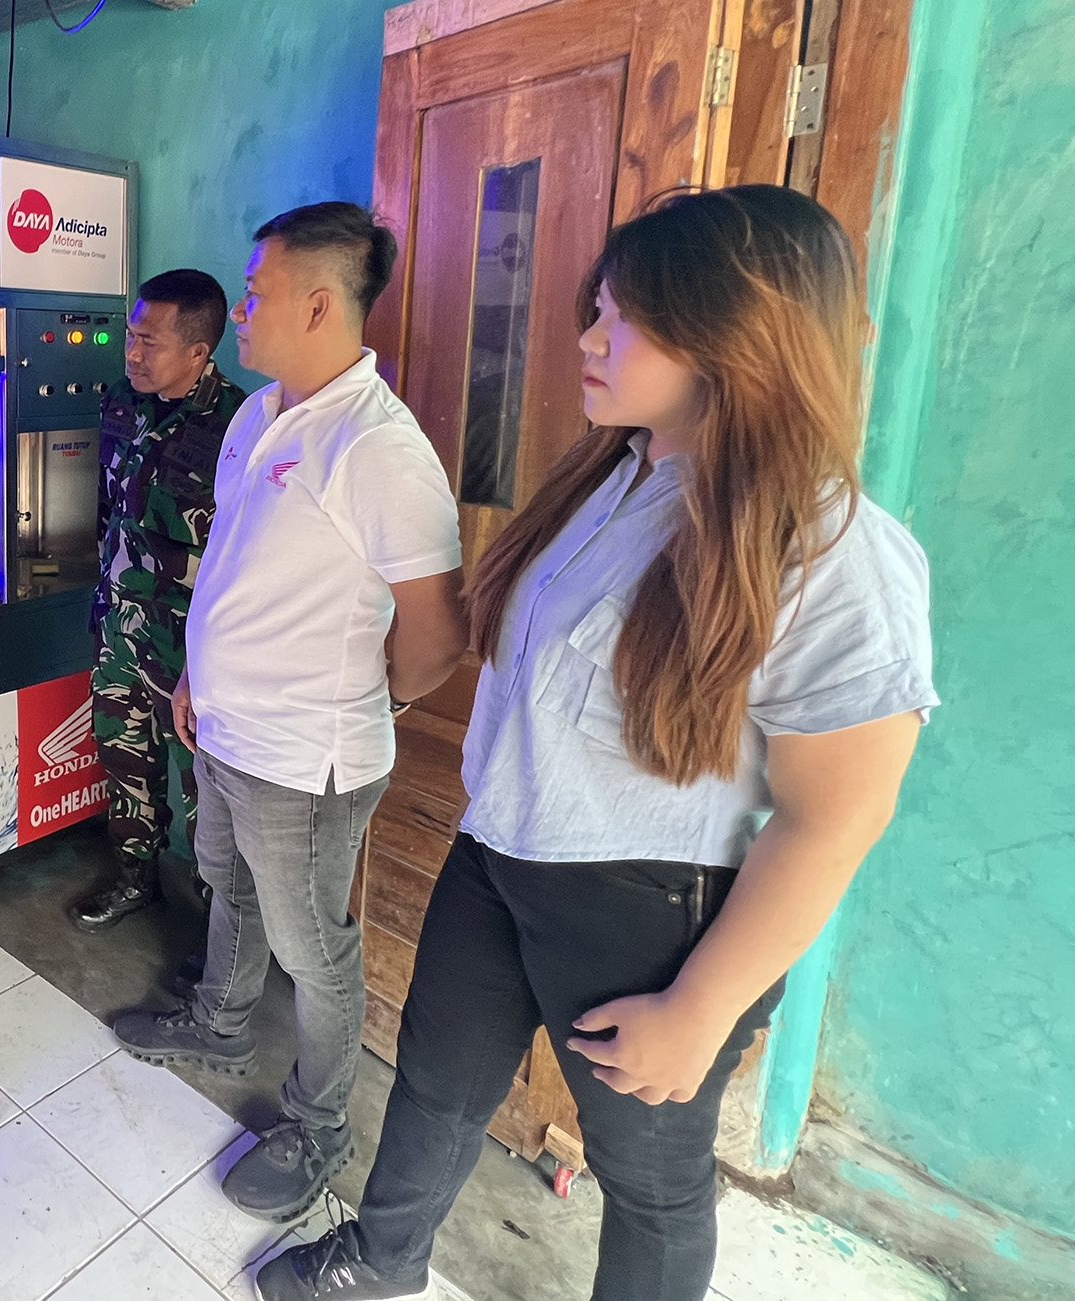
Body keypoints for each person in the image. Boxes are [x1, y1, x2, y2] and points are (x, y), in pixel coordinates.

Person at [252, 186, 939, 1301]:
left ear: (730, 333)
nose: (586, 339)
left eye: (621, 318)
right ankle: (380, 1260)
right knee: (435, 1084)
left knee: (649, 1180)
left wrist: (701, 1006)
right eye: (595, 311)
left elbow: (836, 815)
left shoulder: (832, 549)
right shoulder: (614, 476)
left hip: (645, 907)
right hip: (498, 851)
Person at [113, 203, 468, 1225]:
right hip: (226, 728)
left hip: (305, 756)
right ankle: (221, 1020)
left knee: (316, 949)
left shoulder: (376, 445)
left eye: (255, 291)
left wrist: (378, 700)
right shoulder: (258, 414)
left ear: (318, 304)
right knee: (226, 881)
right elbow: (232, 561)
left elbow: (438, 632)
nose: (241, 310)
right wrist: (197, 675)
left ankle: (319, 1124)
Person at [69, 269, 246, 953]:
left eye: (150, 341)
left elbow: (246, 552)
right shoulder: (123, 401)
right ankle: (133, 877)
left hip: (192, 648)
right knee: (124, 758)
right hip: (121, 627)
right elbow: (109, 507)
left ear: (199, 351)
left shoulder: (241, 426)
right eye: (130, 336)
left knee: (206, 791)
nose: (132, 352)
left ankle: (216, 931)